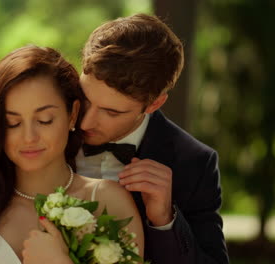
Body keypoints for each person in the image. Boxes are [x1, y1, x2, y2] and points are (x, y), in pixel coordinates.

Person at [0, 45, 144, 264]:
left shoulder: (107, 201)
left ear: (72, 115)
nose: (29, 137)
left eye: (44, 120)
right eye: (13, 123)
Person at [76, 14, 229, 263]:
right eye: (85, 98)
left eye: (112, 112)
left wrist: (165, 219)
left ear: (154, 103)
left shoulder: (194, 163)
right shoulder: (48, 127)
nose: (84, 123)